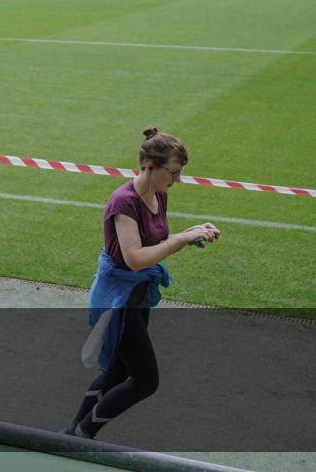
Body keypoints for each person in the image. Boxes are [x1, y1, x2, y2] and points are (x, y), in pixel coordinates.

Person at [66, 127, 221, 440]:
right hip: (118, 299)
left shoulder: (157, 194)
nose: (177, 180)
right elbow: (135, 258)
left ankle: (72, 434)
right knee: (146, 380)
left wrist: (193, 233)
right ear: (150, 167)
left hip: (135, 295)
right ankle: (82, 434)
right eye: (173, 173)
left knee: (118, 370)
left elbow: (157, 241)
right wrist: (180, 239)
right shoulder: (123, 202)